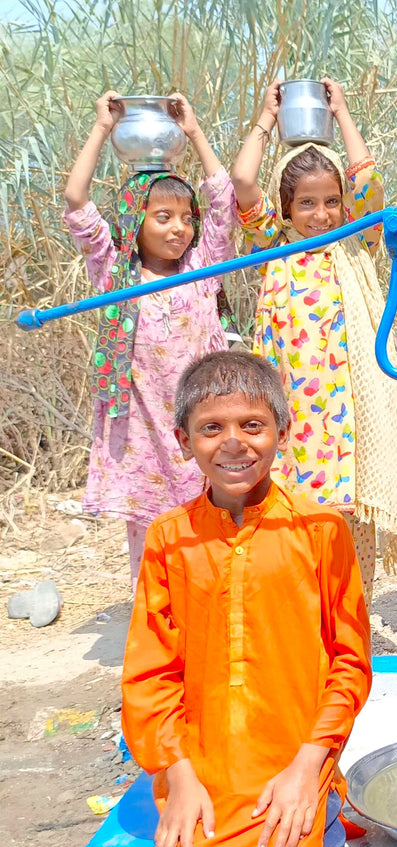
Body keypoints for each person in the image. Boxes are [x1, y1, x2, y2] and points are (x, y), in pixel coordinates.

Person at [121, 349, 372, 847]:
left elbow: (349, 663)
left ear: (282, 433)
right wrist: (178, 777)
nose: (233, 443)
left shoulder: (320, 530)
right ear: (184, 440)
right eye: (212, 428)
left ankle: (322, 809)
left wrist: (308, 767)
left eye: (251, 425)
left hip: (294, 756)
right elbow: (149, 673)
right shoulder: (168, 539)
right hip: (204, 765)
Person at [231, 78, 397, 601]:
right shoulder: (272, 244)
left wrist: (341, 113)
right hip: (295, 406)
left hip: (351, 410)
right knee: (293, 513)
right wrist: (267, 119)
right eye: (307, 204)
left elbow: (368, 183)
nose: (320, 215)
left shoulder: (357, 240)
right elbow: (244, 181)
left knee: (347, 519)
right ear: (286, 209)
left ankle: (346, 626)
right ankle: (300, 623)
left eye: (330, 202)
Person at [64, 91, 236, 588]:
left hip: (201, 424)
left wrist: (195, 131)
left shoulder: (203, 271)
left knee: (211, 531)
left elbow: (223, 200)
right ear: (134, 222)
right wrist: (102, 127)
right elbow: (77, 202)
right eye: (163, 218)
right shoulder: (114, 274)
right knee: (152, 539)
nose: (179, 229)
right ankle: (160, 634)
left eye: (186, 218)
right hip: (142, 431)